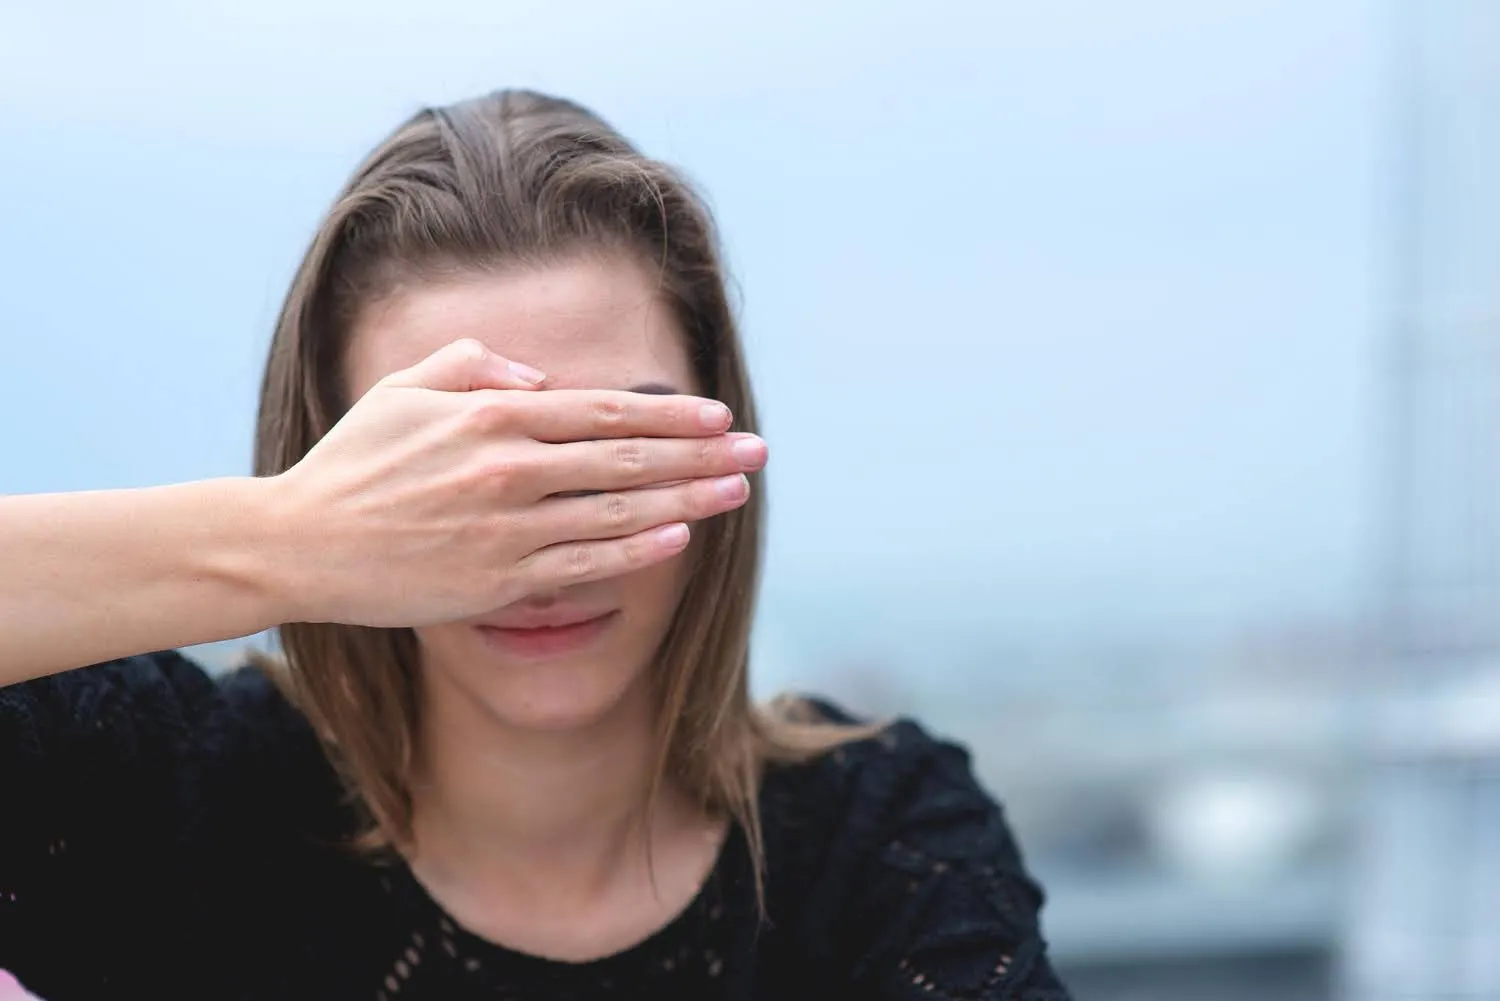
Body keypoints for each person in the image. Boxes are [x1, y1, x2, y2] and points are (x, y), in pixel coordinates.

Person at [0, 89, 1072, 1001]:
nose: (537, 542)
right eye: (452, 472)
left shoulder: (877, 838)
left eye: (613, 447)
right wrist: (281, 540)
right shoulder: (157, 788)